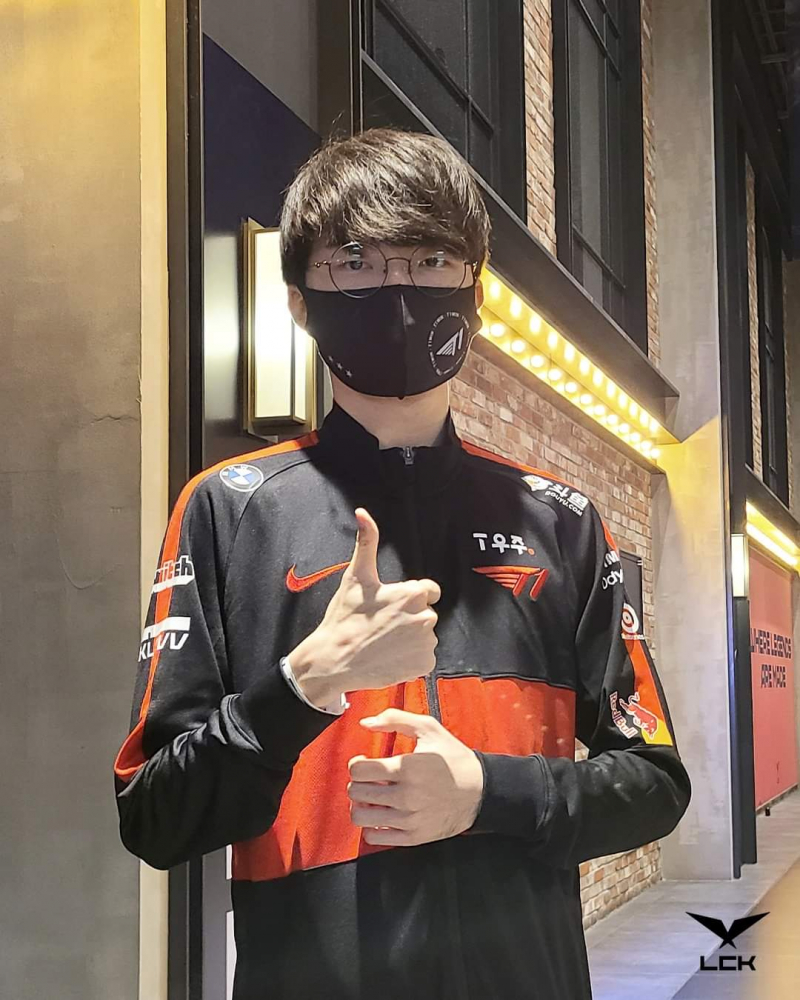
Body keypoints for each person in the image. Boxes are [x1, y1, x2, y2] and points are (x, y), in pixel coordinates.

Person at [114, 127, 691, 999]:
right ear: (300, 301)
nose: (397, 289)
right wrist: (304, 685)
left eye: (431, 259)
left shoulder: (562, 521)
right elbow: (155, 817)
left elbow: (654, 782)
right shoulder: (229, 510)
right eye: (354, 263)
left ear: (475, 292)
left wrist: (486, 793)